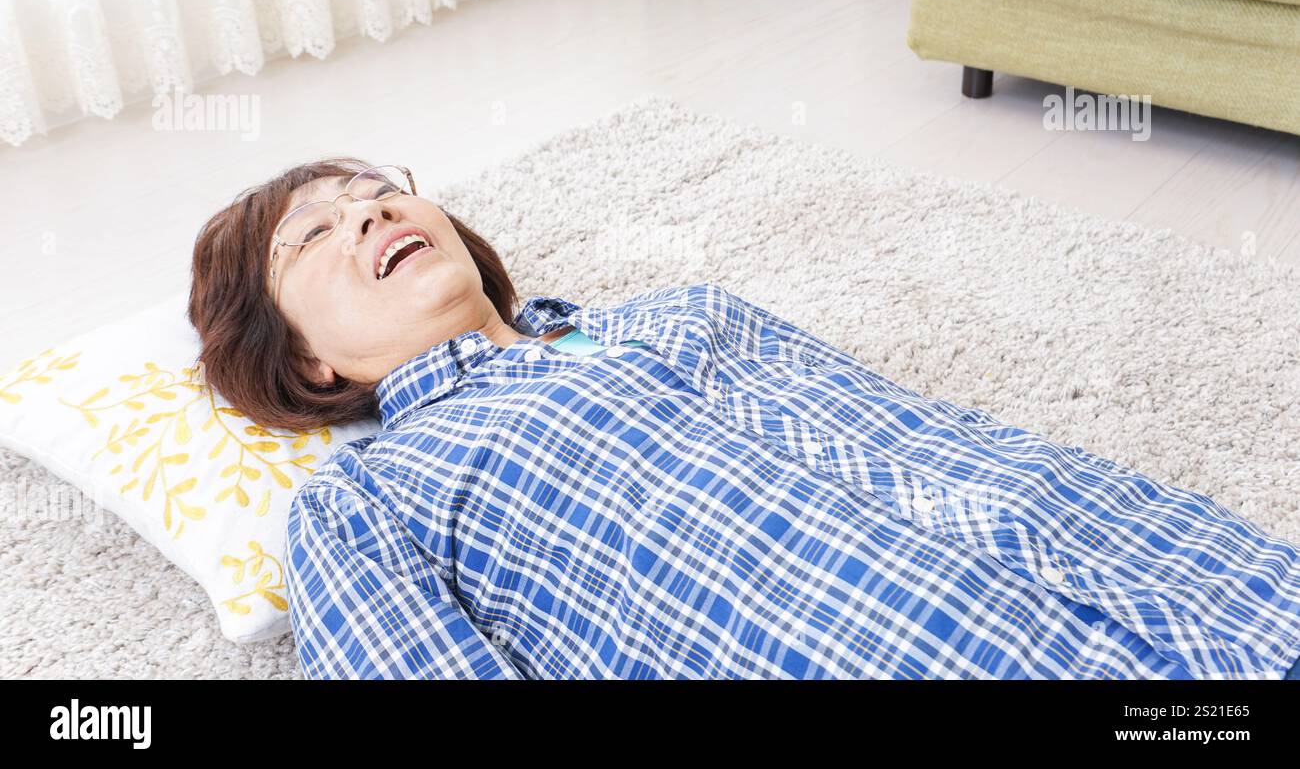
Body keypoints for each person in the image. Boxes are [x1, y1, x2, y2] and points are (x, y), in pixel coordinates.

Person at [188, 158, 1300, 679]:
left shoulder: (687, 310)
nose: (368, 211)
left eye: (374, 189)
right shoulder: (367, 497)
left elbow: (929, 430)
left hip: (1181, 580)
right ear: (308, 364)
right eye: (312, 234)